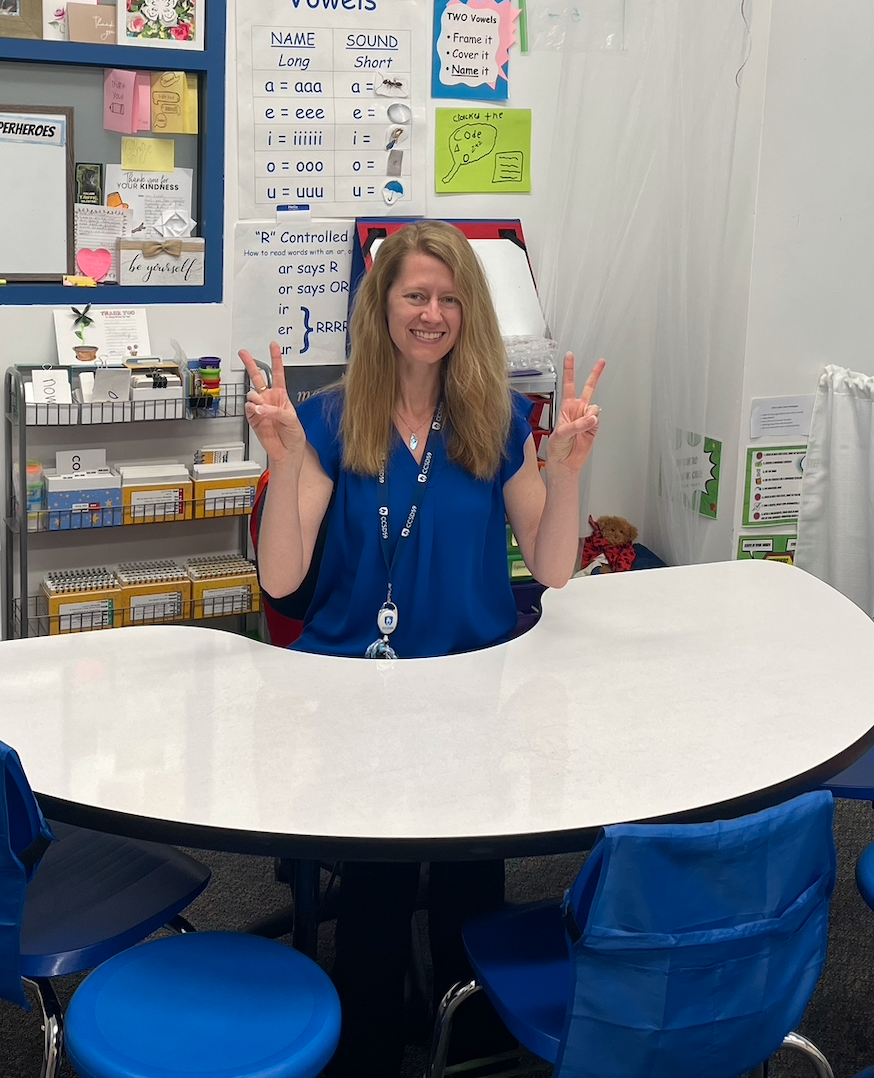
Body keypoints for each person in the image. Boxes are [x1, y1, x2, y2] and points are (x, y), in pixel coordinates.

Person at [239, 219, 604, 1076]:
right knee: (376, 893)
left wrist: (568, 471)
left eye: (448, 298)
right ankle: (367, 1047)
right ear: (384, 307)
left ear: (467, 312)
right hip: (356, 696)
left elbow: (553, 573)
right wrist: (285, 460)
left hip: (472, 689)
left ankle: (470, 1044)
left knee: (473, 888)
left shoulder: (498, 420)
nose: (432, 313)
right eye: (416, 295)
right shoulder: (330, 420)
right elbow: (284, 583)